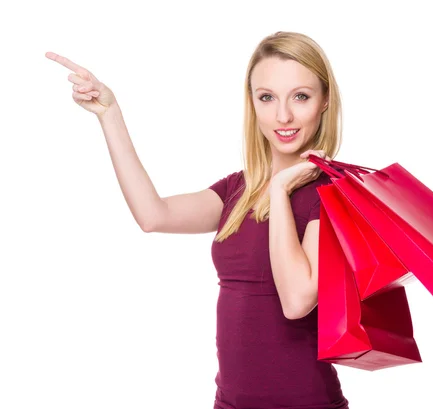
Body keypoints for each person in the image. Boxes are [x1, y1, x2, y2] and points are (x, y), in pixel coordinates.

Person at [46, 31, 349, 409]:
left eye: (300, 96)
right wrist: (110, 114)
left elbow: (297, 301)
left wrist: (280, 191)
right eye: (267, 97)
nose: (282, 115)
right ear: (252, 103)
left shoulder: (334, 195)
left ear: (324, 102)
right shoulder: (237, 190)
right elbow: (153, 215)